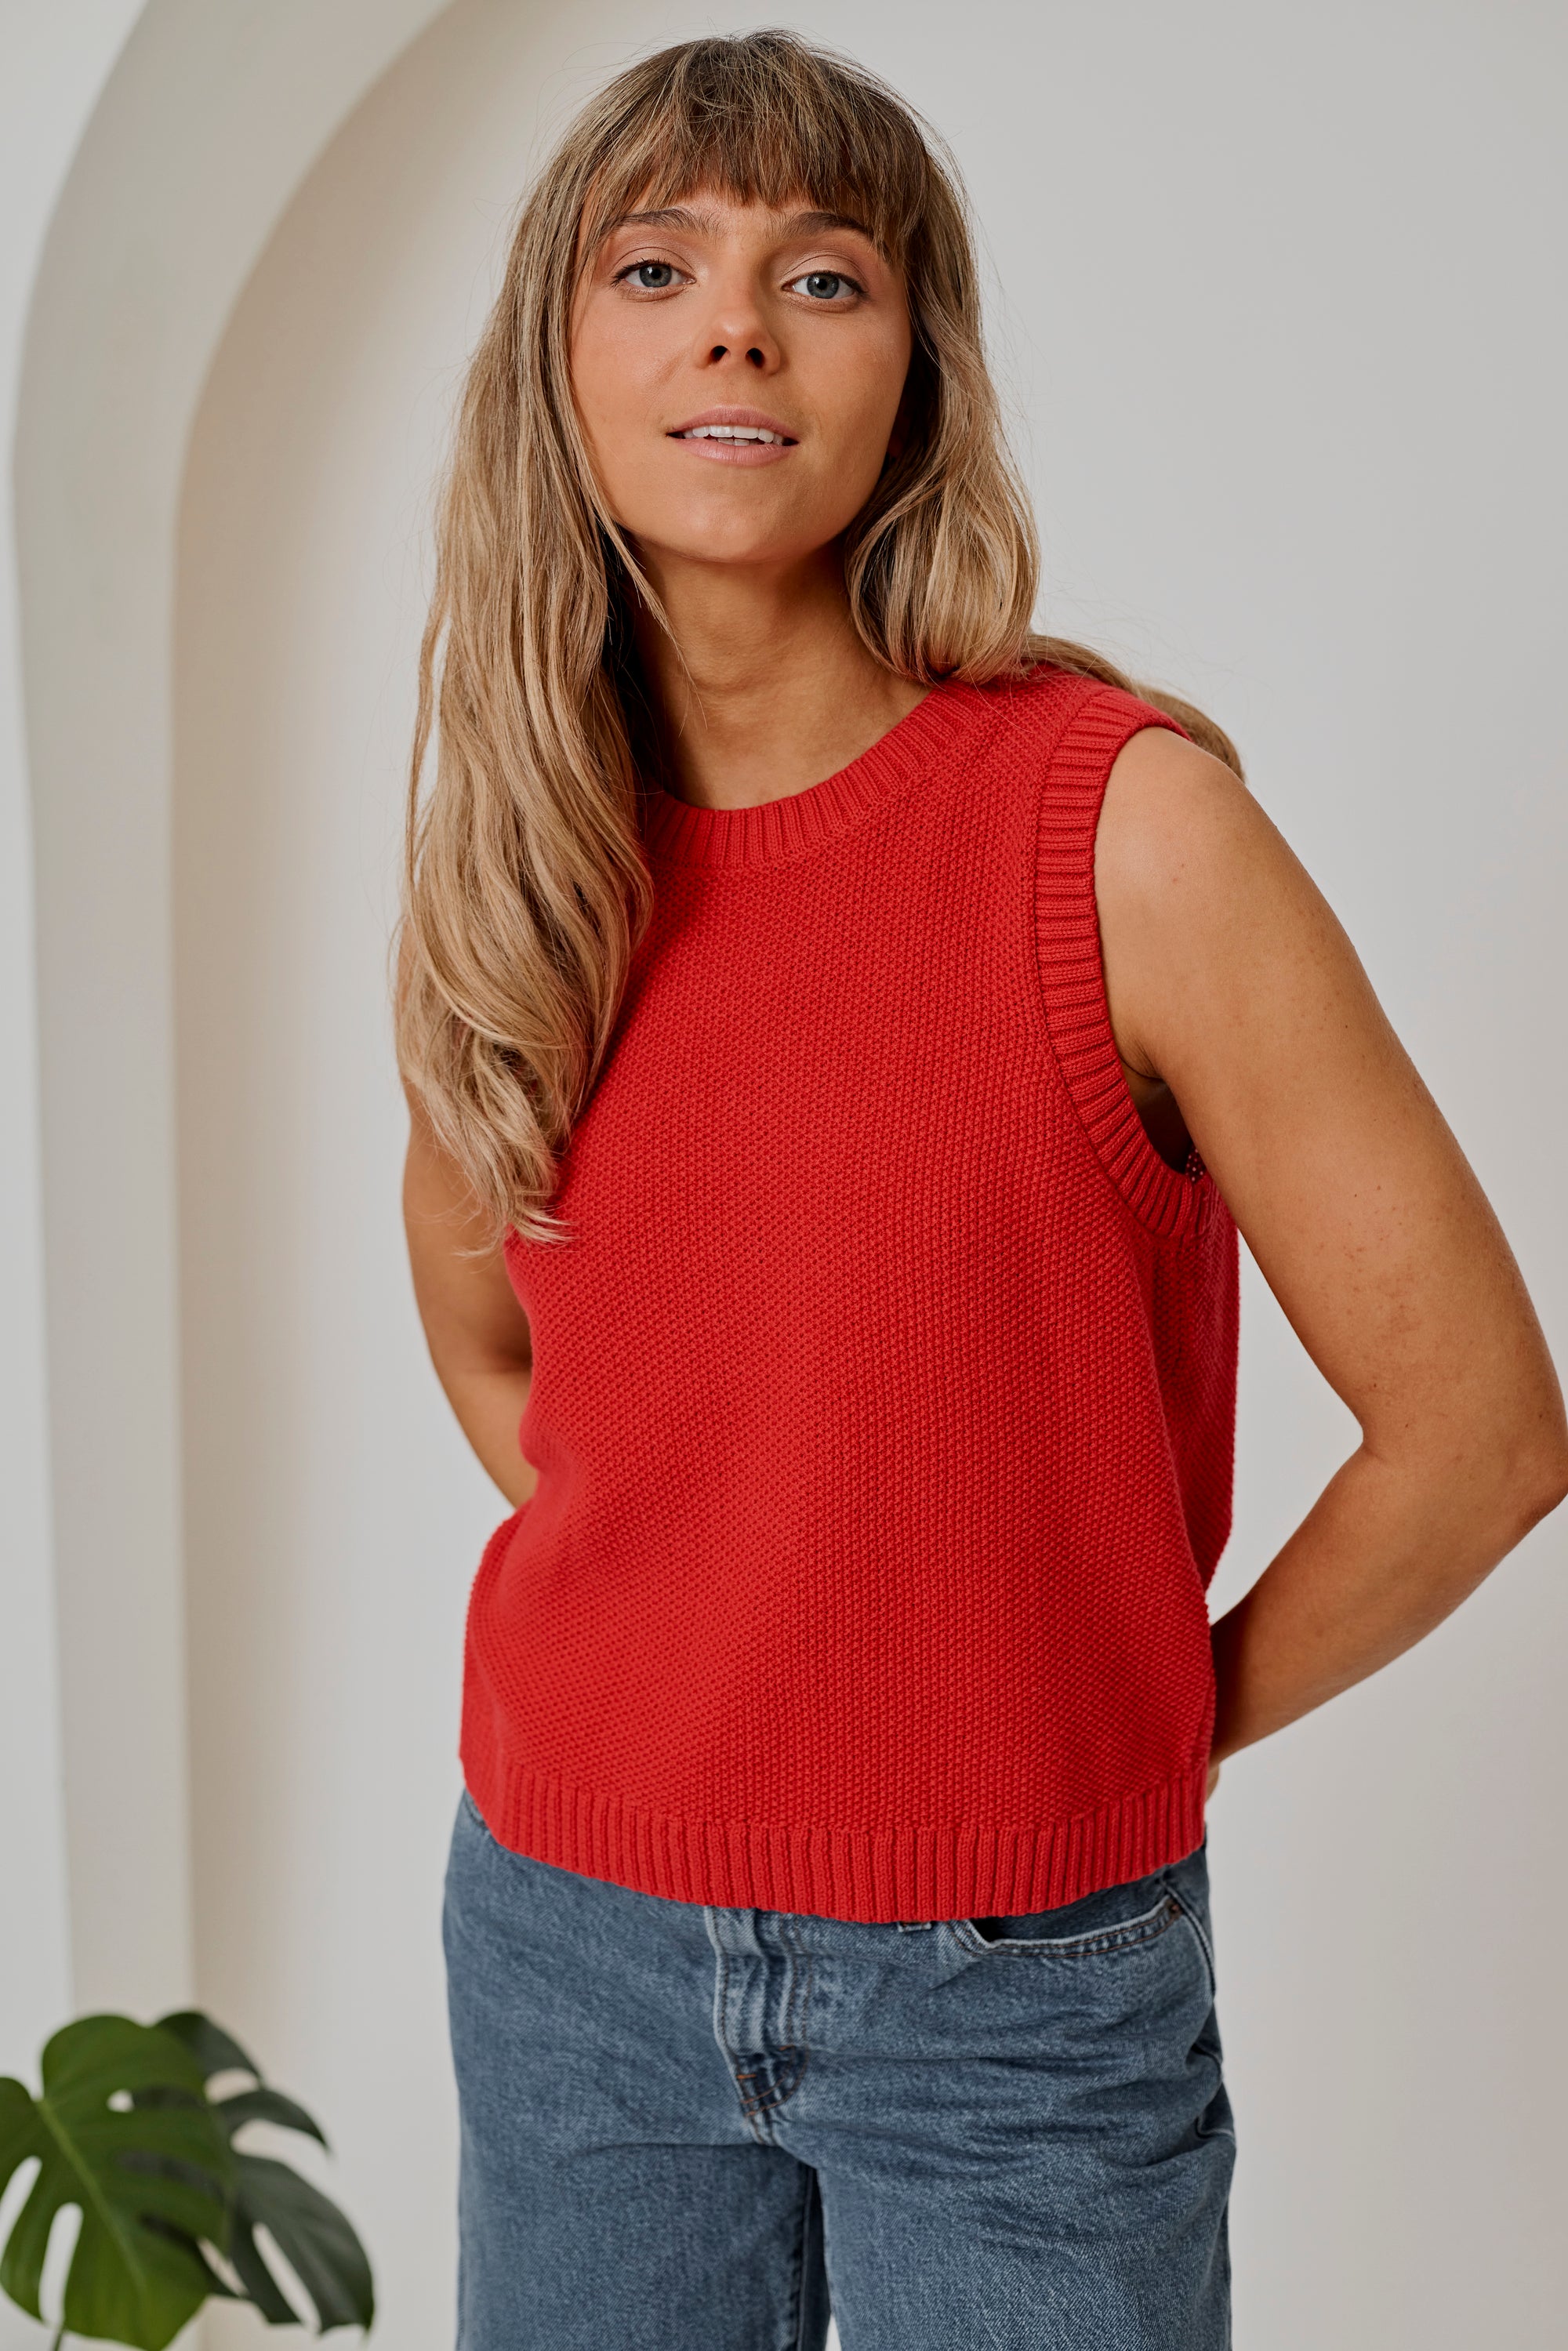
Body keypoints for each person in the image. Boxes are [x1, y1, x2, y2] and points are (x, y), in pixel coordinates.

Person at [395, 31, 1566, 2350]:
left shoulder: (1128, 832)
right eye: (657, 267)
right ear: (559, 360)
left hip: (1019, 1998)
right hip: (565, 1943)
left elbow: (1482, 1432)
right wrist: (733, 1621)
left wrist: (1112, 1724)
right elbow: (499, 1344)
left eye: (823, 275)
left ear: (916, 374)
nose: (738, 328)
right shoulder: (524, 844)